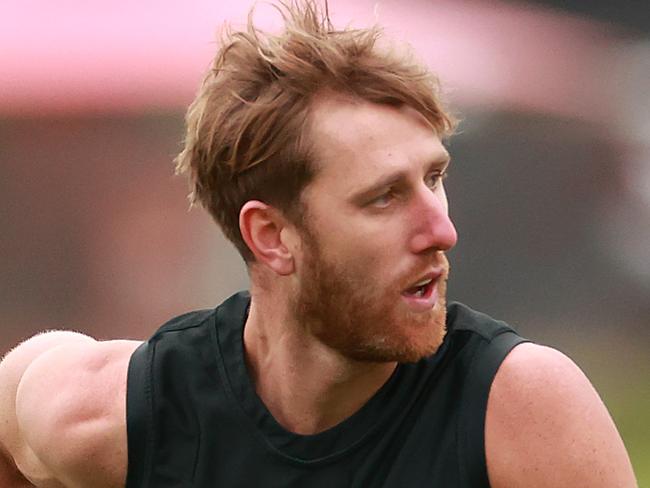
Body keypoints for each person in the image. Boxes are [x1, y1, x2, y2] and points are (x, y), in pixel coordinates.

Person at [0, 1, 637, 487]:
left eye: (433, 178)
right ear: (272, 237)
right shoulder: (119, 418)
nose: (442, 230)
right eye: (383, 197)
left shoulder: (518, 410)